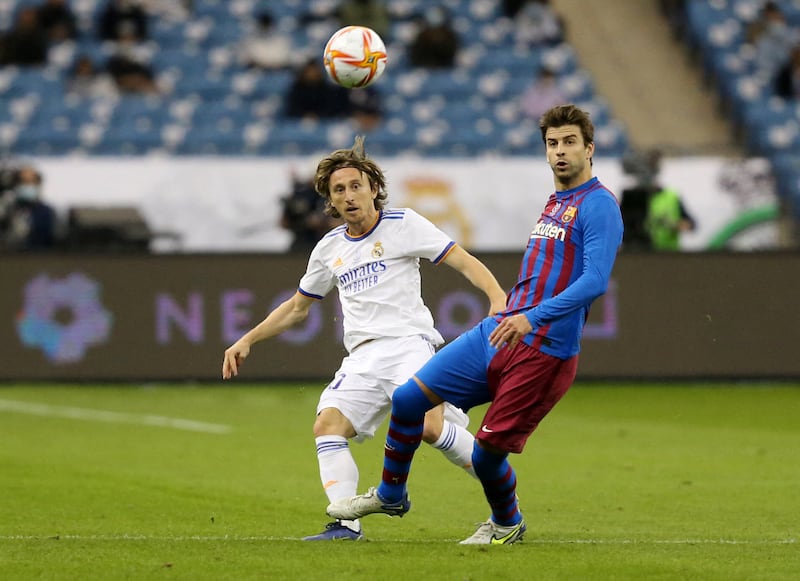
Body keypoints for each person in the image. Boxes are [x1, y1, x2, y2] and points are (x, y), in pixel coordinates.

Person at [327, 104, 624, 545]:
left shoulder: (600, 206)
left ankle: (507, 523)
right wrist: (511, 310)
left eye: (569, 143)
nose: (560, 152)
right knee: (409, 400)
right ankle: (392, 495)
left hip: (544, 350)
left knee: (485, 456)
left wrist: (531, 316)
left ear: (590, 149)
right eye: (552, 143)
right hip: (502, 332)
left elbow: (595, 282)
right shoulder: (556, 201)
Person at [222, 136, 507, 541]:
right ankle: (345, 524)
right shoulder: (329, 249)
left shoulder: (403, 224)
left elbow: (460, 258)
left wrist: (496, 295)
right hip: (362, 357)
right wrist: (247, 339)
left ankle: (504, 502)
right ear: (331, 201)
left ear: (374, 188)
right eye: (339, 190)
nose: (349, 195)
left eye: (356, 185)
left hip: (410, 344)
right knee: (328, 426)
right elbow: (298, 306)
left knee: (429, 427)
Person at [0, 164, 58, 251]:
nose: (27, 186)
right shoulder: (7, 209)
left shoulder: (47, 212)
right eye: (23, 182)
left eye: (31, 182)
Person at [280, 174, 341, 253]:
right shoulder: (300, 195)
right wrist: (303, 222)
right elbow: (284, 223)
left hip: (330, 245)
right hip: (302, 244)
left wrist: (326, 223)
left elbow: (339, 222)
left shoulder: (333, 195)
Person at [284, 58, 352, 120]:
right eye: (309, 71)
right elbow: (293, 109)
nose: (312, 74)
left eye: (314, 71)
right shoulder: (297, 90)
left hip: (323, 120)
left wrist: (318, 115)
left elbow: (330, 107)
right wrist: (306, 115)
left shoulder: (326, 90)